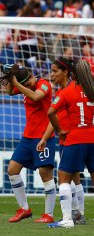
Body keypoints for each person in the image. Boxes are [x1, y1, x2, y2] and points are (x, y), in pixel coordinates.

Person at [47, 60, 94, 228]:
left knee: (64, 179)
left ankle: (67, 219)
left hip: (75, 139)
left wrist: (59, 131)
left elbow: (51, 111)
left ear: (73, 74)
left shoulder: (67, 93)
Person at [0, 64, 56, 223]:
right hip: (27, 137)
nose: (25, 87)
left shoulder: (43, 83)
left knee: (45, 174)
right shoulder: (24, 85)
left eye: (26, 84)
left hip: (44, 136)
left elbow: (36, 97)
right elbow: (10, 92)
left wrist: (17, 83)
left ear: (31, 77)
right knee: (12, 169)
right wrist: (11, 77)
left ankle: (49, 215)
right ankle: (24, 208)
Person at [36, 57, 86, 224]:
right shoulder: (62, 92)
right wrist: (44, 138)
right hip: (67, 139)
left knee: (66, 176)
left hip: (74, 138)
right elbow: (54, 118)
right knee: (74, 177)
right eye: (51, 70)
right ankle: (79, 214)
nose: (51, 74)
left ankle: (74, 214)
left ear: (66, 72)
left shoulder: (72, 90)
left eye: (55, 71)